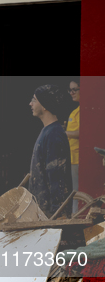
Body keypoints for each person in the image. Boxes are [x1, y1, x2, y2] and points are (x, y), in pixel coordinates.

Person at [28, 85, 73, 218]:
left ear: (45, 105)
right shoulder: (47, 130)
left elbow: (57, 176)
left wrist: (57, 212)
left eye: (34, 100)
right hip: (43, 210)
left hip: (52, 213)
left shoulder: (54, 134)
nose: (30, 103)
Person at [66, 77, 80, 213]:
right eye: (70, 90)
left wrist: (65, 133)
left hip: (79, 157)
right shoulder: (75, 111)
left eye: (75, 89)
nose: (71, 92)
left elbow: (83, 132)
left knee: (77, 191)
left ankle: (76, 217)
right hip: (73, 156)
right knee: (75, 190)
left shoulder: (84, 112)